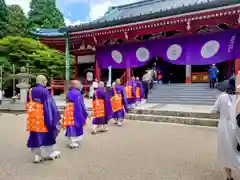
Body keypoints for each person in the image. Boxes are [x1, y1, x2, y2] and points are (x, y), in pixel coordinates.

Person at [26, 75, 61, 163]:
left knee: (35, 135)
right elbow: (49, 106)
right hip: (43, 118)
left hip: (33, 119)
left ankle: (37, 156)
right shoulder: (45, 91)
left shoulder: (30, 90)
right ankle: (50, 153)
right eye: (45, 81)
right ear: (44, 81)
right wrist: (53, 117)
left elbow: (28, 103)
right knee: (47, 135)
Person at [212, 76, 240, 180]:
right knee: (237, 150)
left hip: (224, 128)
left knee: (226, 151)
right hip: (237, 126)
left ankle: (229, 176)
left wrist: (221, 111)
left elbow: (213, 111)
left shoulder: (222, 97)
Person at [62, 80, 88, 149]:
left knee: (70, 125)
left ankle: (70, 140)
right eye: (79, 84)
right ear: (75, 85)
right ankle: (72, 142)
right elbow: (80, 104)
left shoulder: (69, 92)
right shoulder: (77, 93)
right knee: (74, 125)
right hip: (75, 110)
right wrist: (83, 111)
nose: (80, 85)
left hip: (68, 110)